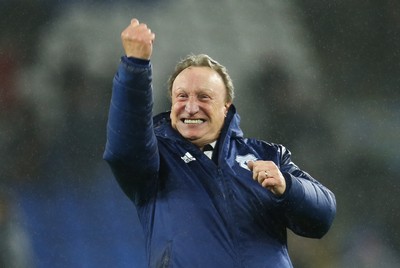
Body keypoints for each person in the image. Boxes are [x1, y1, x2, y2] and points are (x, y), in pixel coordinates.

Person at [103, 18, 336, 268]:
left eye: (204, 97)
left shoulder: (267, 156)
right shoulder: (157, 160)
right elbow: (124, 149)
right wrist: (135, 68)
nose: (191, 107)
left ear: (226, 107)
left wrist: (287, 186)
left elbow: (323, 216)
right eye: (181, 96)